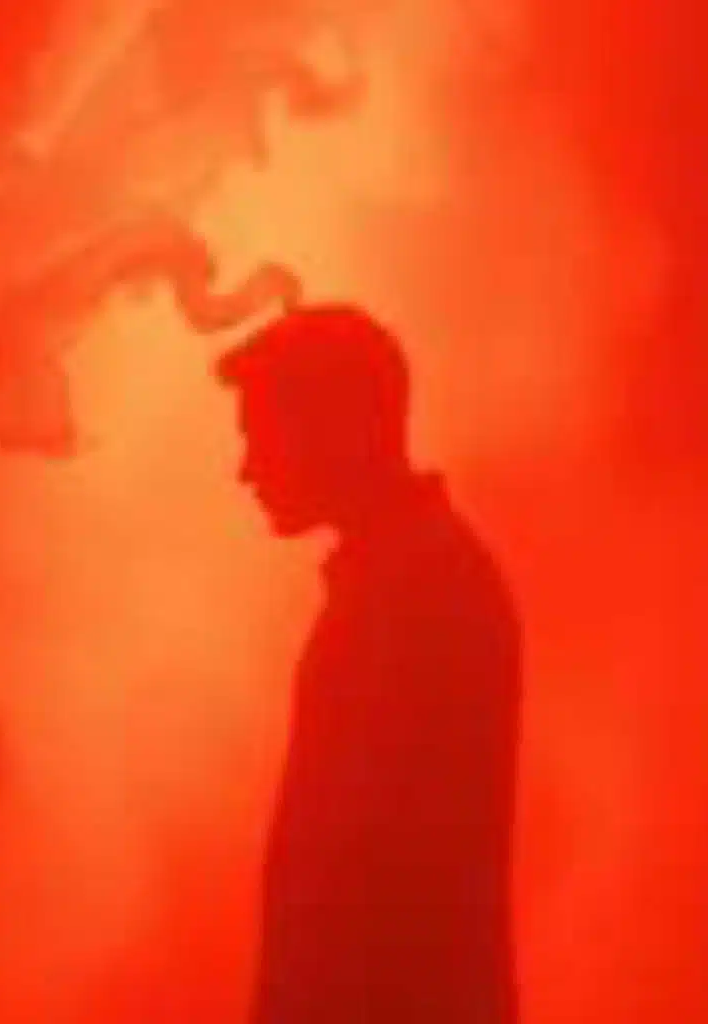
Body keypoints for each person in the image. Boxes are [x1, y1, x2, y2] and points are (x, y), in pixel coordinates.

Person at [218, 304, 523, 1022]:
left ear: (342, 429)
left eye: (263, 436)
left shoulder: (416, 593)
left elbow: (360, 877)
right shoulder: (417, 576)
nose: (247, 470)